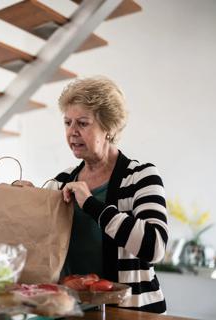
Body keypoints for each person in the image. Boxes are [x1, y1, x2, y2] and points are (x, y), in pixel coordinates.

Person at [52, 76, 168, 313]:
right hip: (75, 311)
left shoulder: (141, 176)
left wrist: (93, 205)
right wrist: (22, 195)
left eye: (82, 123)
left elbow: (155, 247)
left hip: (134, 312)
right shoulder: (61, 181)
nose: (72, 132)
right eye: (67, 123)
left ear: (109, 127)